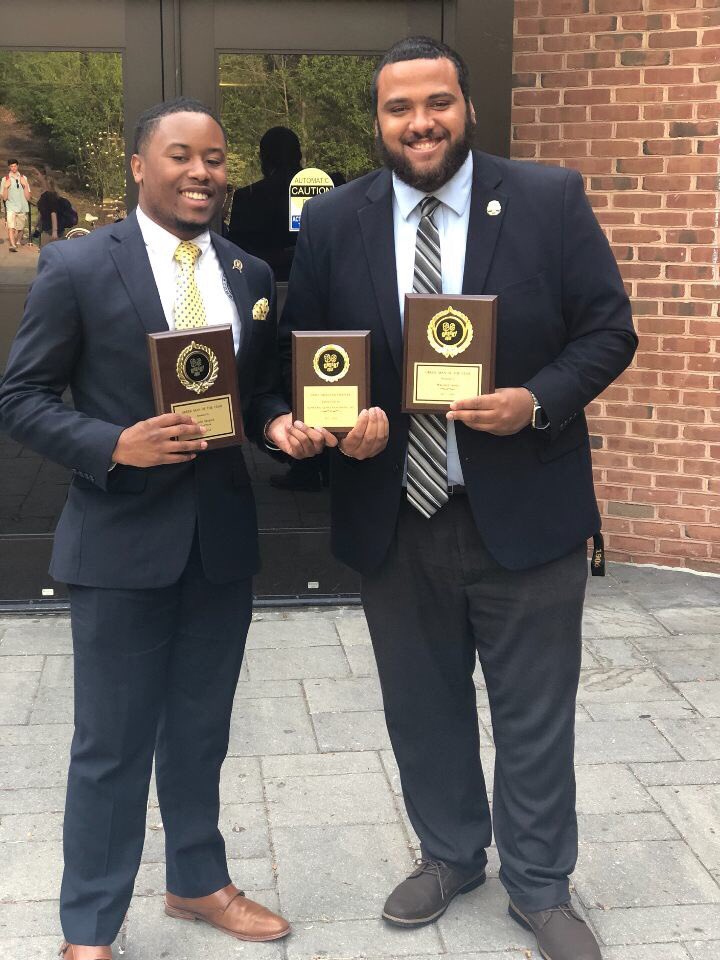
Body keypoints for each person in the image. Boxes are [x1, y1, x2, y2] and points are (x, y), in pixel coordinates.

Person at [280, 36, 637, 960]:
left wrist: (536, 401)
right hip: (395, 511)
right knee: (421, 702)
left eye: (436, 102)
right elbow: (306, 356)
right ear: (377, 121)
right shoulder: (332, 221)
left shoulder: (549, 199)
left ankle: (540, 882)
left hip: (527, 507)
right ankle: (450, 853)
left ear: (466, 106)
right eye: (399, 108)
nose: (420, 122)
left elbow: (608, 331)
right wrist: (327, 421)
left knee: (534, 709)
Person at [0, 97, 330, 960]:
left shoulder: (250, 274)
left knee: (201, 730)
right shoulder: (75, 267)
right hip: (118, 542)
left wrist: (277, 425)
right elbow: (21, 399)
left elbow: (253, 393)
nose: (202, 172)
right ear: (140, 167)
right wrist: (115, 444)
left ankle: (196, 881)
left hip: (218, 543)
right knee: (110, 745)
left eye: (215, 158)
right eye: (181, 156)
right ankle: (89, 930)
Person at [228, 125, 302, 282]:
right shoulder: (332, 190)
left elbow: (237, 257)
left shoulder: (248, 197)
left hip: (264, 286)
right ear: (299, 155)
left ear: (264, 158)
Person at [1, 158, 31, 251]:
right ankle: (12, 245)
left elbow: (28, 197)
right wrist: (6, 187)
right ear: (9, 167)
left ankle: (17, 241)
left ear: (18, 166)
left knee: (20, 228)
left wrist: (25, 185)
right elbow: (4, 198)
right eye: (11, 166)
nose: (13, 168)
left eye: (15, 166)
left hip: (22, 206)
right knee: (11, 227)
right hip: (11, 206)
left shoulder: (24, 178)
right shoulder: (5, 179)